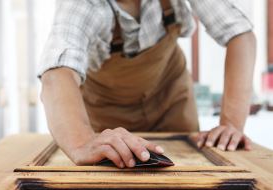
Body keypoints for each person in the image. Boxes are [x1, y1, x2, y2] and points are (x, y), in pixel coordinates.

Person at [38, 0, 256, 168]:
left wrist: (231, 125)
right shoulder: (82, 4)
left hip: (171, 98)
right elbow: (57, 74)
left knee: (183, 178)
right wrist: (81, 143)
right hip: (106, 112)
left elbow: (240, 35)